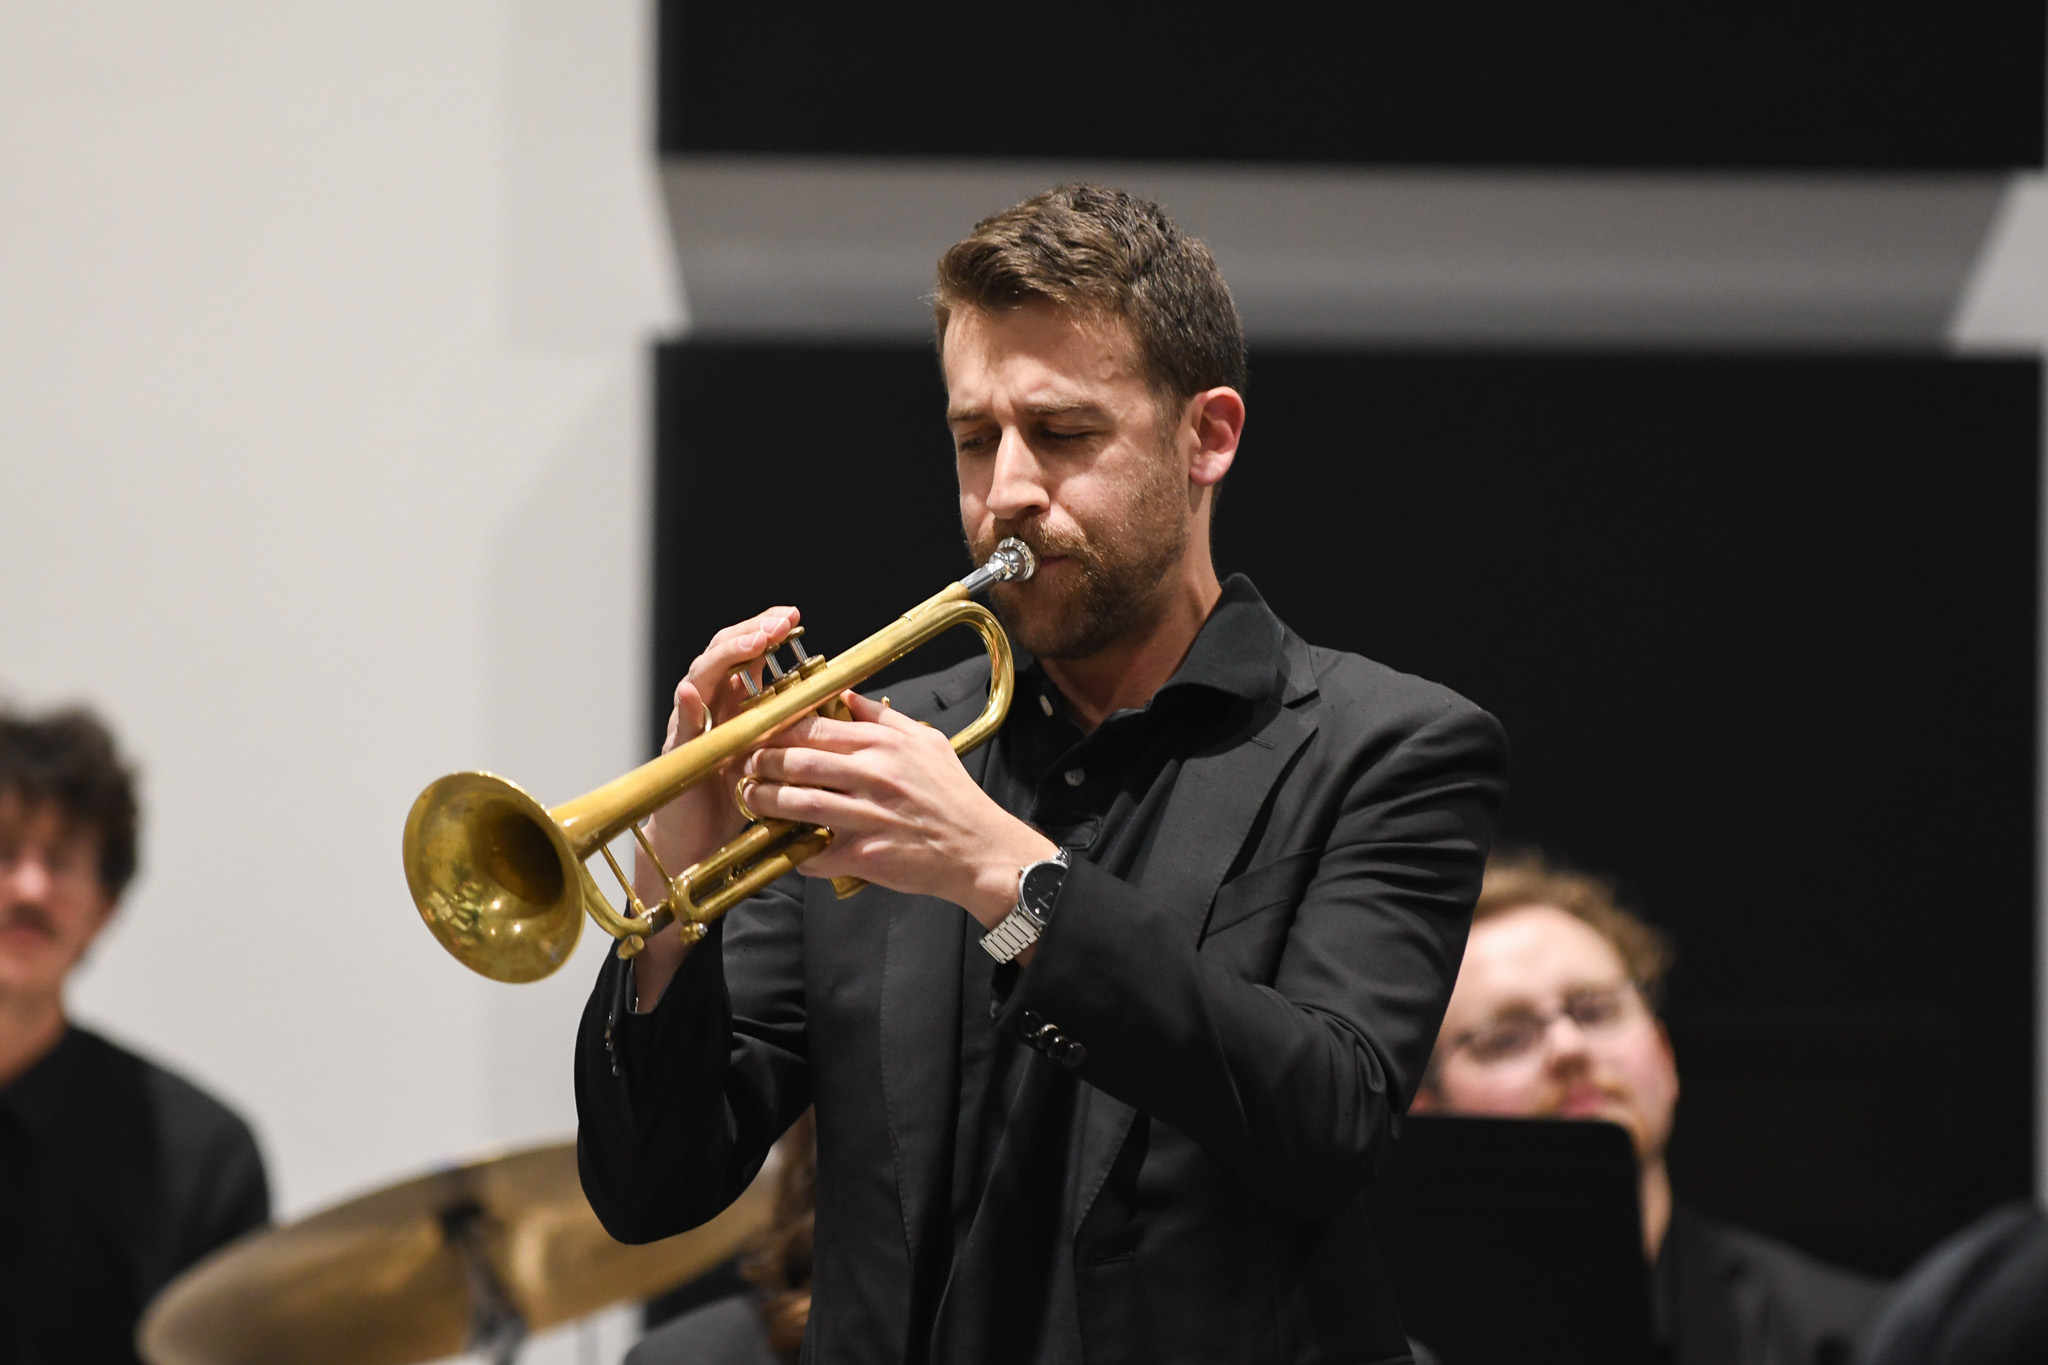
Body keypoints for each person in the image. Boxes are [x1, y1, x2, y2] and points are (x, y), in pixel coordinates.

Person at [576, 183, 1508, 1365]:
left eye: (1063, 435)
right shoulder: (876, 757)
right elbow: (653, 1189)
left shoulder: (1385, 748)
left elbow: (1325, 1115)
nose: (1008, 487)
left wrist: (1009, 878)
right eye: (975, 439)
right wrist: (669, 898)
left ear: (1206, 436)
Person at [1411, 849, 1885, 1365]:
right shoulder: (1367, 1343)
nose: (1569, 1049)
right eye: (1505, 1039)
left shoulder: (1854, 1339)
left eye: (1596, 1011)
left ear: (1664, 1052)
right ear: (1423, 1107)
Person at [0, 706, 269, 1365]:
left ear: (104, 909)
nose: (30, 885)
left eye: (61, 860)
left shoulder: (202, 1157)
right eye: (3, 850)